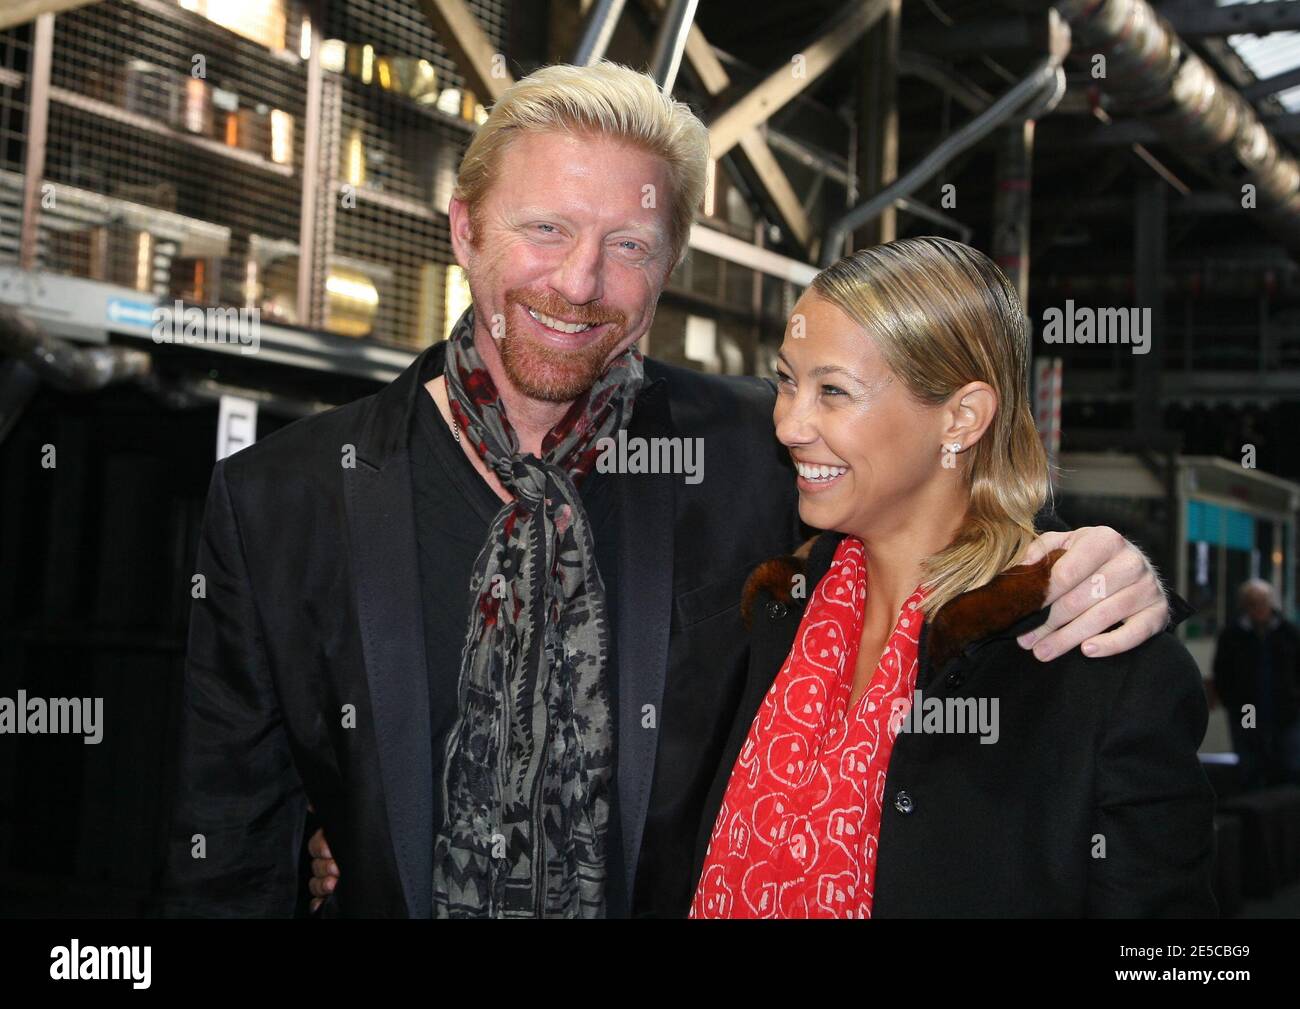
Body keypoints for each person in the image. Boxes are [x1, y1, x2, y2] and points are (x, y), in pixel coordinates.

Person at [161, 61, 1177, 920]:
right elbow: (229, 846)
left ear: (668, 264)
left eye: (630, 246)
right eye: (545, 229)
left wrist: (1095, 558)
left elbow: (932, 503)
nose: (578, 283)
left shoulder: (757, 456)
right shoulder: (280, 502)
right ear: (465, 228)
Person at [688, 237, 1217, 918]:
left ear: (961, 418)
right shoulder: (776, 611)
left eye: (833, 391)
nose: (789, 423)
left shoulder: (1096, 668)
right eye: (786, 380)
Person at [1213, 579, 1300, 789]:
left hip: (1284, 706)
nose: (1258, 608)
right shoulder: (1233, 634)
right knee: (1250, 756)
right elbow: (1222, 672)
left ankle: (1284, 812)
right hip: (1247, 707)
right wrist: (1232, 701)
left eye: (1262, 602)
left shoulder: (1288, 632)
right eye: (1252, 603)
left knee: (1287, 760)